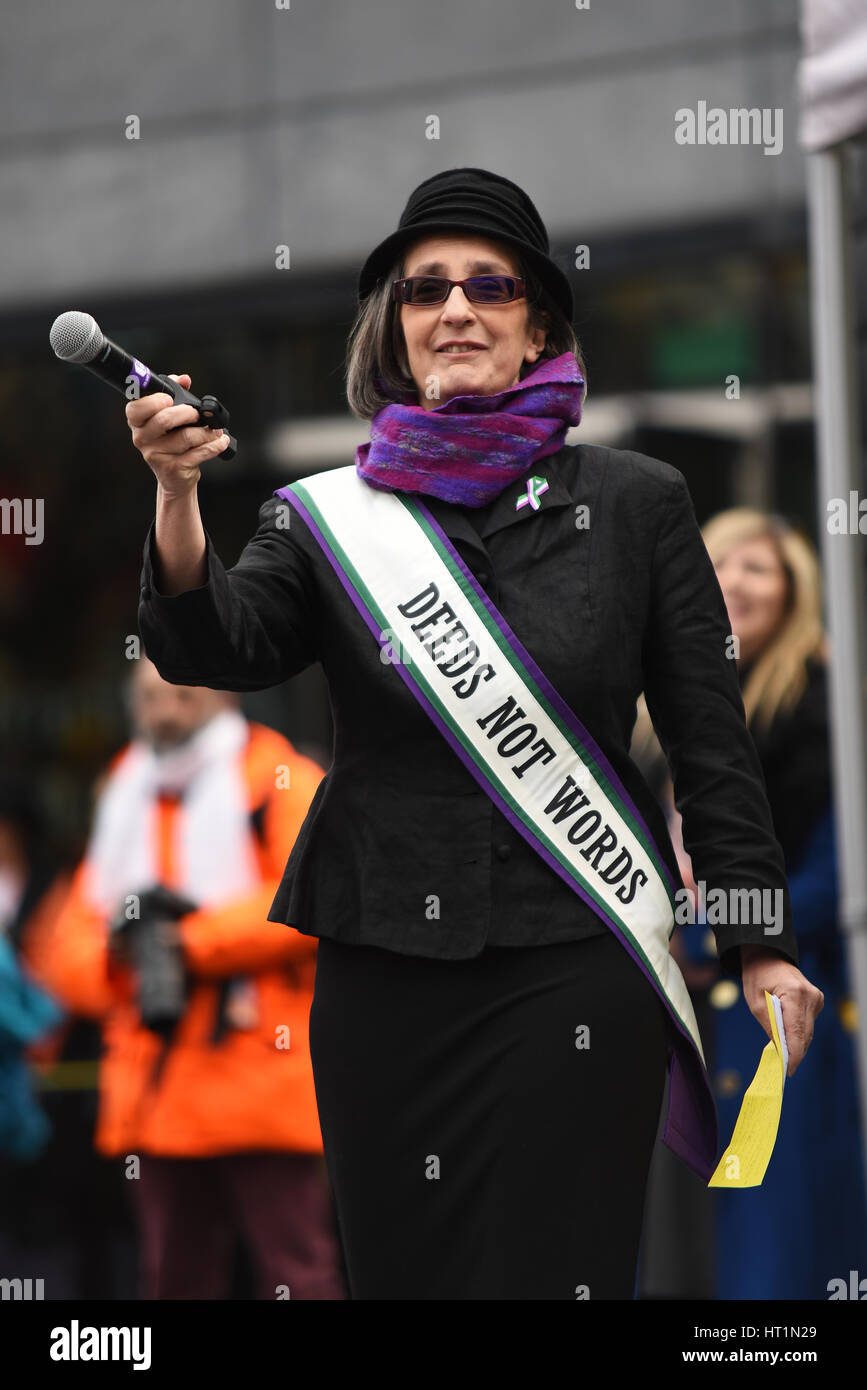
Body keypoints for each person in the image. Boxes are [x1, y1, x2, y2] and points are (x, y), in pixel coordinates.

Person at [129, 166, 823, 1300]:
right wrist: (171, 493)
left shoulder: (638, 500)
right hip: (385, 956)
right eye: (425, 290)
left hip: (577, 955)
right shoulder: (325, 520)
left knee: (561, 1270)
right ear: (396, 327)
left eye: (490, 286)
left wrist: (760, 939)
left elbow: (712, 741)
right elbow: (217, 648)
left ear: (537, 319)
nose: (455, 310)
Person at [34, 656, 346, 1300]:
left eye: (181, 693)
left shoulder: (280, 779)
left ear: (226, 695)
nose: (164, 711)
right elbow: (68, 951)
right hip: (155, 1093)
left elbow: (314, 904)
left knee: (297, 1274)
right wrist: (129, 957)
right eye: (149, 697)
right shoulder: (125, 789)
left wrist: (182, 943)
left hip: (258, 1084)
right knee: (172, 1280)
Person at [680, 509, 865, 1298]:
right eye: (720, 563)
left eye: (758, 568)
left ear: (794, 592)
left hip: (787, 991)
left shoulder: (824, 708)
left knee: (783, 1227)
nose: (734, 582)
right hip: (683, 1009)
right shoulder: (667, 704)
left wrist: (706, 936)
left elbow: (834, 875)